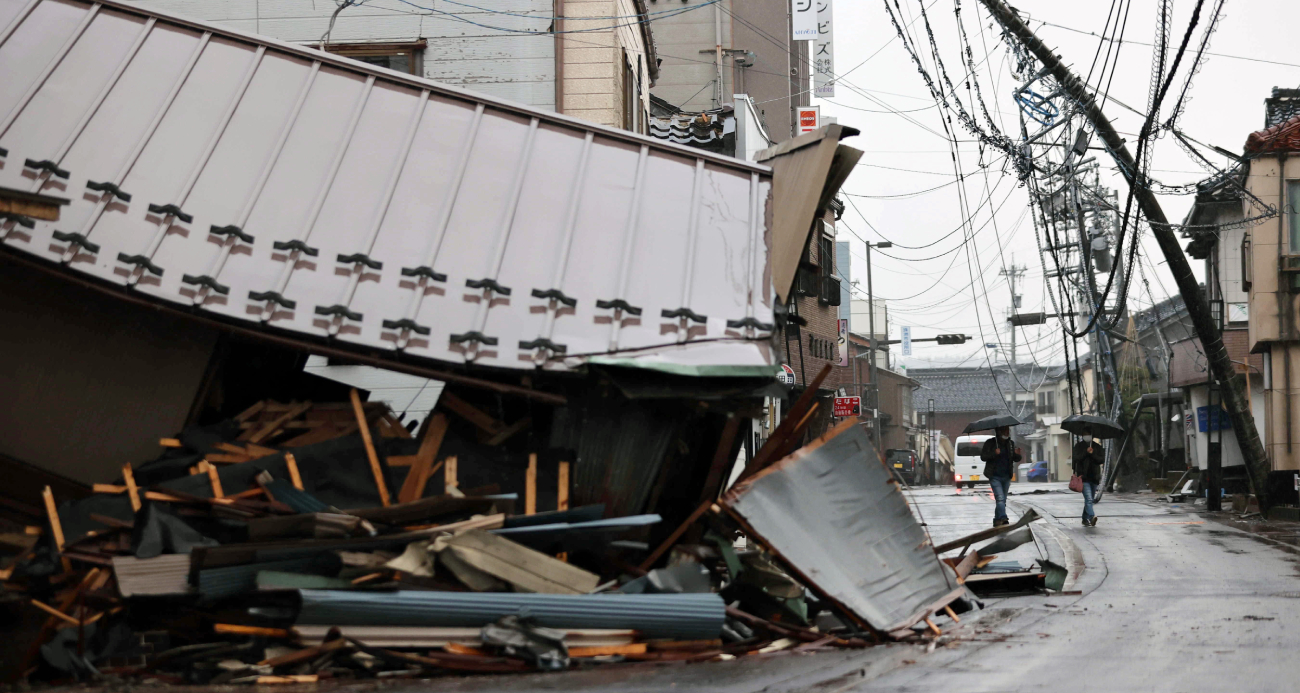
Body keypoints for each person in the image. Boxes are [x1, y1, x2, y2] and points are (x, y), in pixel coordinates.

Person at [979, 426, 1021, 527]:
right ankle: (1003, 517)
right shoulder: (990, 443)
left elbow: (1015, 459)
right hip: (994, 476)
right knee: (1000, 498)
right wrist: (994, 453)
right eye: (1005, 430)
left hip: (1006, 476)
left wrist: (1018, 455)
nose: (1007, 433)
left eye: (1008, 430)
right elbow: (983, 457)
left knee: (1003, 500)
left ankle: (997, 519)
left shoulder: (1010, 444)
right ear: (999, 431)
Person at [1073, 428, 1104, 526]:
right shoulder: (1079, 446)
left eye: (1088, 434)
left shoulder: (1097, 447)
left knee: (1089, 500)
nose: (1087, 436)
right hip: (1083, 477)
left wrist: (1092, 453)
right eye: (1085, 434)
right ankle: (1091, 517)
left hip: (1094, 477)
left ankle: (1084, 518)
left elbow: (1101, 460)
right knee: (1089, 499)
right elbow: (1076, 458)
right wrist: (1086, 452)